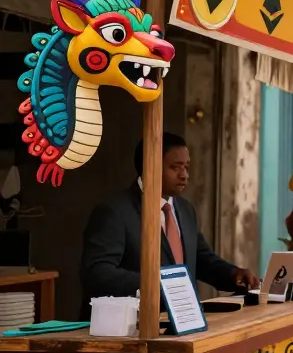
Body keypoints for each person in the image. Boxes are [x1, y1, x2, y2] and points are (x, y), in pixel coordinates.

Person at [80, 133, 259, 318]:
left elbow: (201, 259)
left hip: (180, 323)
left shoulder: (185, 209)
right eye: (175, 167)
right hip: (126, 327)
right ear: (150, 166)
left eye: (187, 167)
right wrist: (157, 284)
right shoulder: (114, 212)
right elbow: (97, 273)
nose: (184, 175)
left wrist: (232, 274)